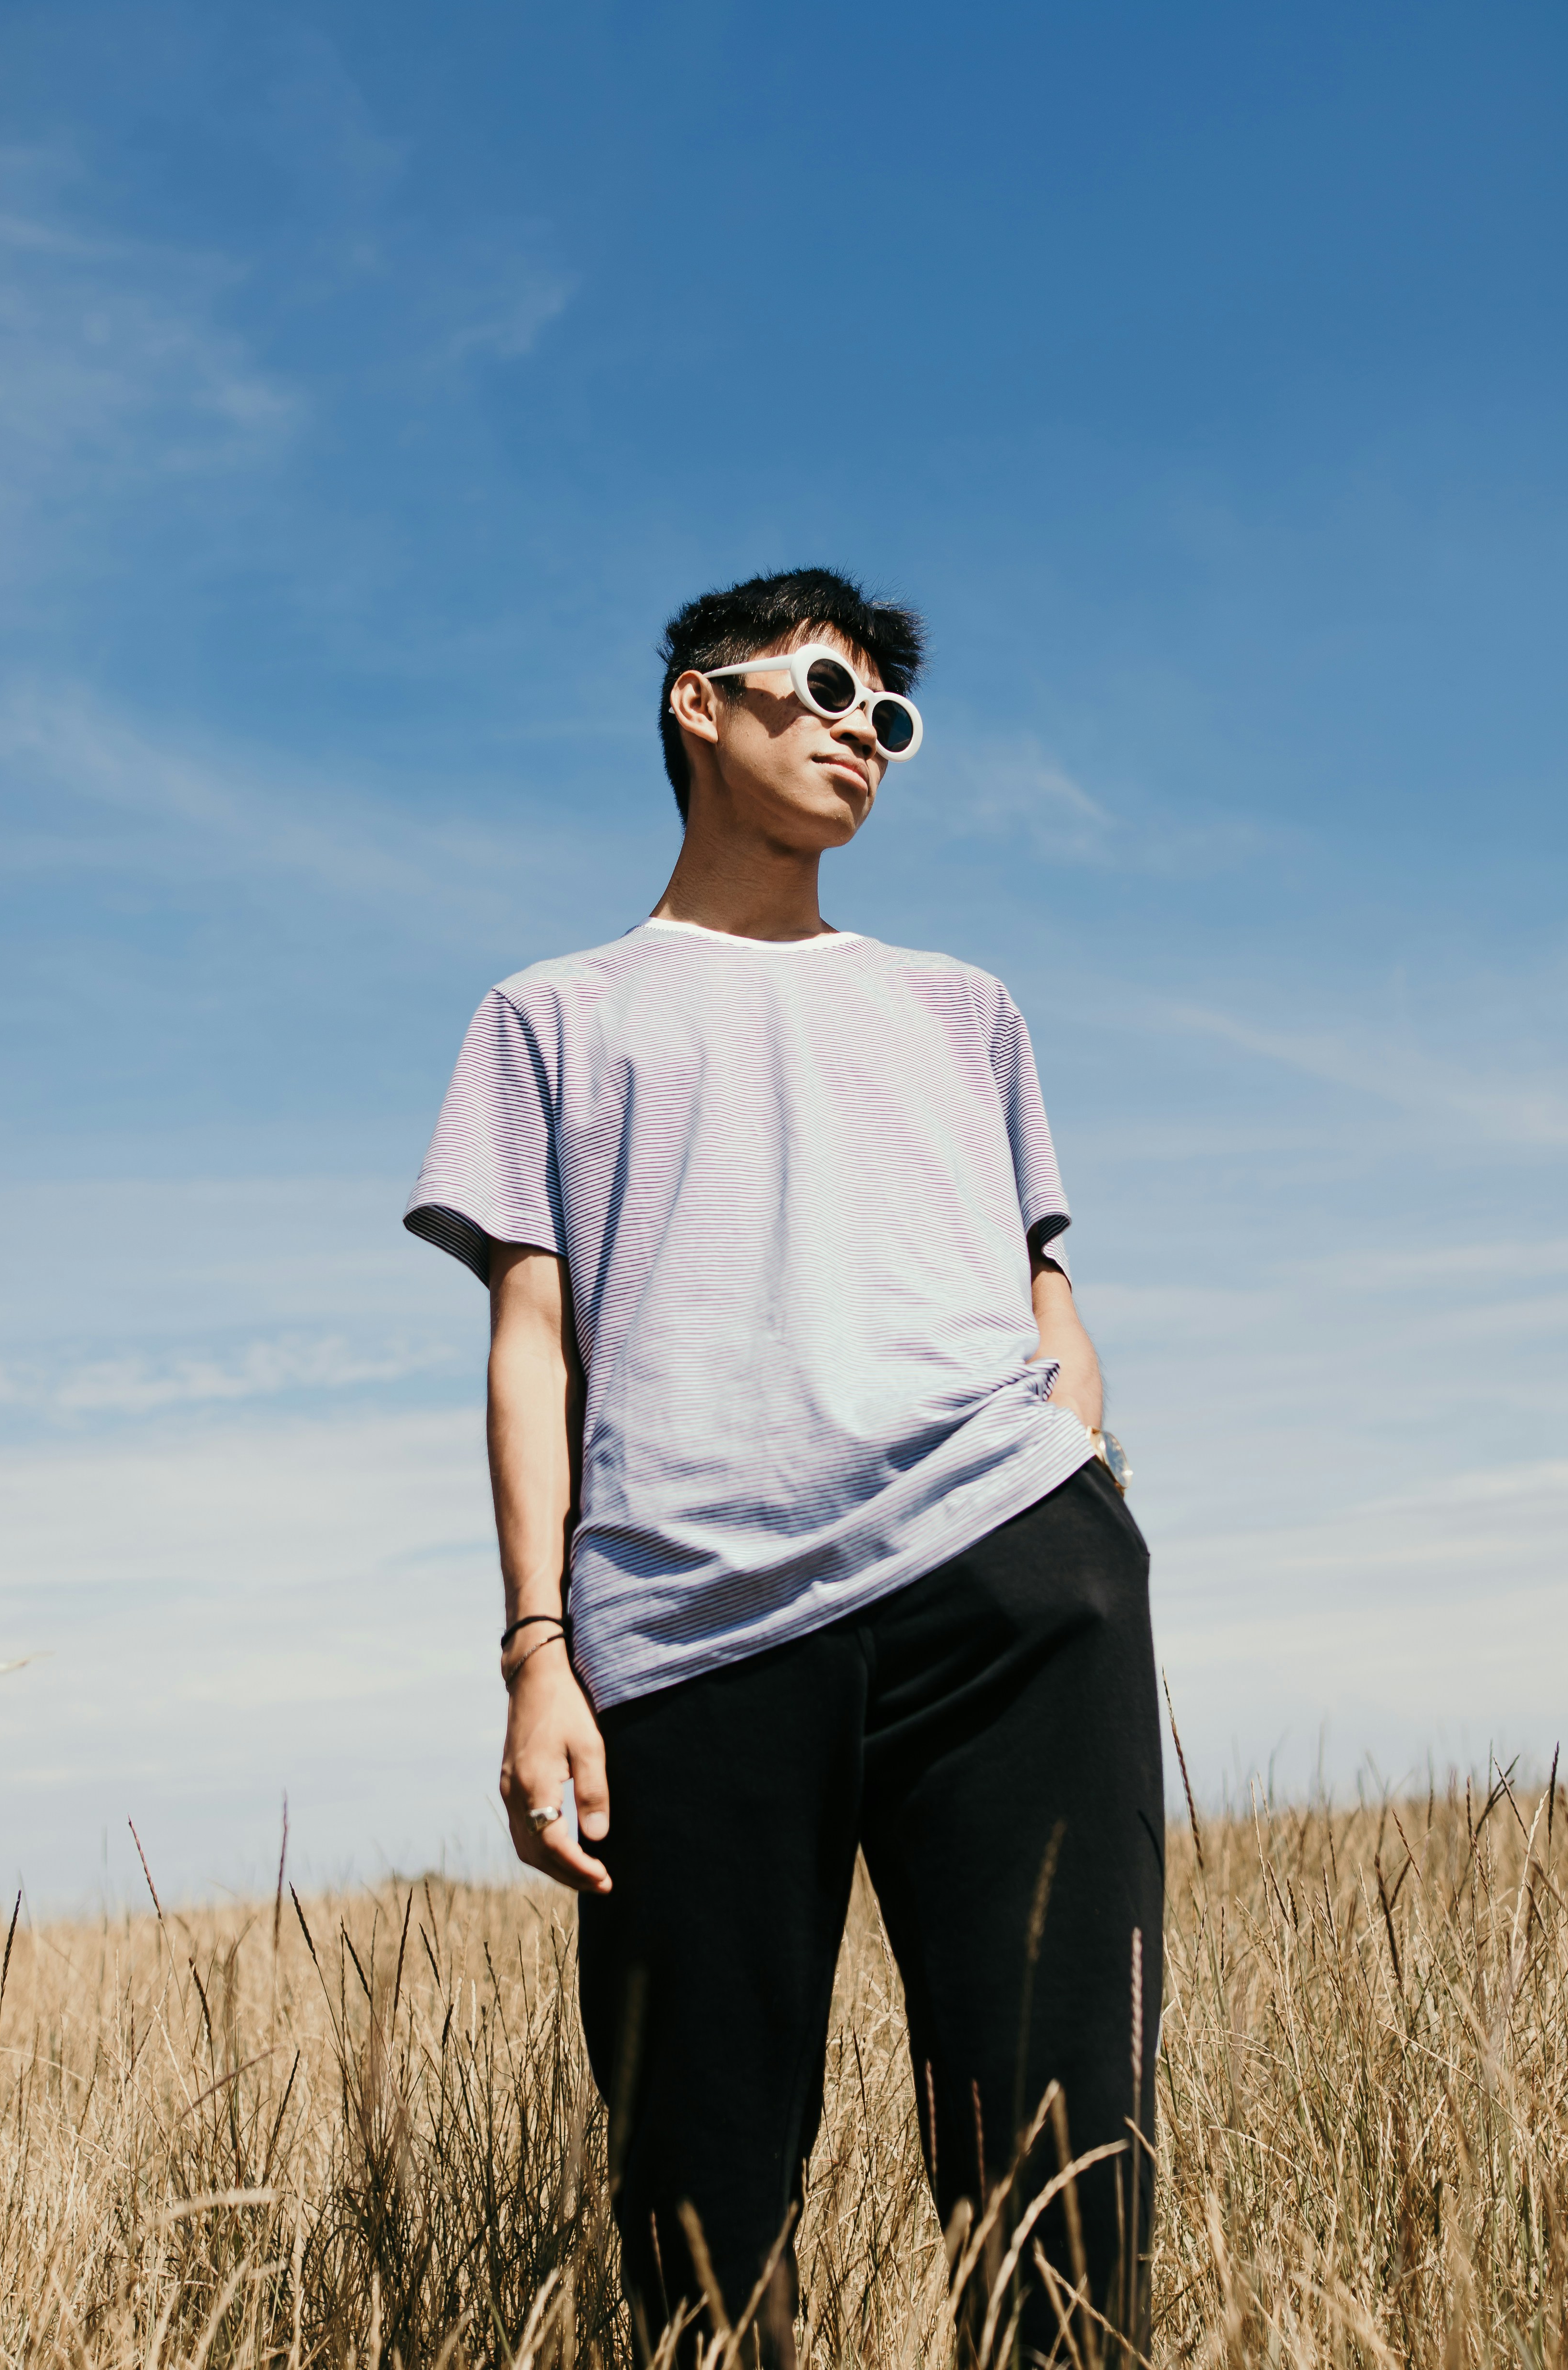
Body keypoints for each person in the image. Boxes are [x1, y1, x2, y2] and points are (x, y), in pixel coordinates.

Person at [405, 567, 1163, 2365]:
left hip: (1011, 1594)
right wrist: (536, 1650)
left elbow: (1045, 1282)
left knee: (1059, 2176)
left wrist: (1078, 1481)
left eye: (889, 720)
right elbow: (534, 1336)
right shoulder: (552, 1014)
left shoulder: (963, 1005)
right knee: (700, 2209)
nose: (861, 736)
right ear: (699, 702)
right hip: (692, 1636)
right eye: (827, 690)